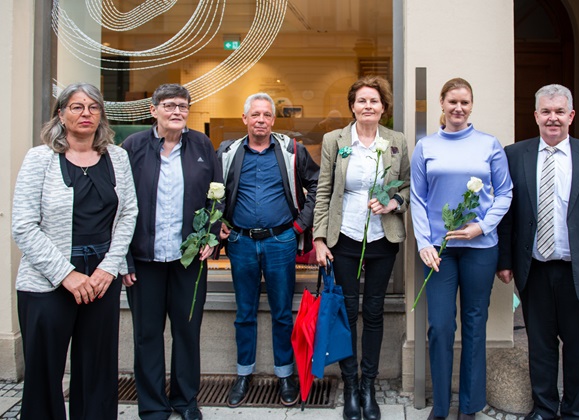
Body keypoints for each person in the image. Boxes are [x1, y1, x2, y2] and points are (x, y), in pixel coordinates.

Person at [497, 84, 579, 420]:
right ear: (536, 115)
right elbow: (508, 215)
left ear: (571, 116)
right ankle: (544, 407)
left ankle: (577, 412)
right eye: (546, 111)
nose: (552, 118)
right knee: (540, 346)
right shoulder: (514, 155)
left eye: (559, 112)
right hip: (534, 269)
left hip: (578, 271)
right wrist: (506, 262)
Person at [11, 83, 138, 420]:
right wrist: (66, 275)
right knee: (43, 373)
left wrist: (108, 269)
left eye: (93, 107)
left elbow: (128, 215)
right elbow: (23, 225)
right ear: (61, 114)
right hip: (47, 280)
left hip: (101, 278)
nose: (86, 114)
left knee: (97, 370)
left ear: (101, 115)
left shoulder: (118, 157)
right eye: (77, 107)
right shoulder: (39, 159)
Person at [410, 78, 513, 420]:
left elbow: (505, 193)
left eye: (465, 102)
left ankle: (470, 406)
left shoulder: (489, 145)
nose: (458, 108)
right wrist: (425, 242)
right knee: (440, 326)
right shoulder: (426, 146)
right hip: (440, 250)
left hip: (481, 248)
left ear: (472, 105)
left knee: (474, 322)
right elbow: (418, 198)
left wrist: (482, 227)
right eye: (452, 101)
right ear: (442, 103)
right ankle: (440, 407)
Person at [122, 84, 222, 420]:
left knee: (187, 330)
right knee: (147, 334)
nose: (177, 111)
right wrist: (124, 258)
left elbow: (216, 197)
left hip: (189, 259)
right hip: (144, 260)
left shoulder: (201, 145)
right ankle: (151, 406)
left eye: (183, 106)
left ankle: (185, 401)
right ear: (154, 110)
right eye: (169, 105)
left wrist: (211, 237)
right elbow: (119, 205)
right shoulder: (132, 147)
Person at [313, 75, 411, 420]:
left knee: (373, 312)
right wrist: (319, 239)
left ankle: (369, 387)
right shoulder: (334, 141)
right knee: (347, 311)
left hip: (382, 240)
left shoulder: (396, 141)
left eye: (374, 101)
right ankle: (351, 385)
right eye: (361, 101)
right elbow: (323, 191)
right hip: (345, 238)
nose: (367, 106)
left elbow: (409, 187)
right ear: (352, 106)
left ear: (383, 107)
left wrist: (394, 202)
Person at [217, 92, 319, 408]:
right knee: (244, 313)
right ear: (245, 119)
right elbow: (214, 191)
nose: (261, 120)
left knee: (281, 313)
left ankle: (285, 375)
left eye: (266, 115)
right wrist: (219, 222)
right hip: (241, 242)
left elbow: (318, 185)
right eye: (255, 114)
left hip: (280, 242)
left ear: (273, 120)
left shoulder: (291, 151)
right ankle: (243, 375)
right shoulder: (228, 152)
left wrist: (299, 226)